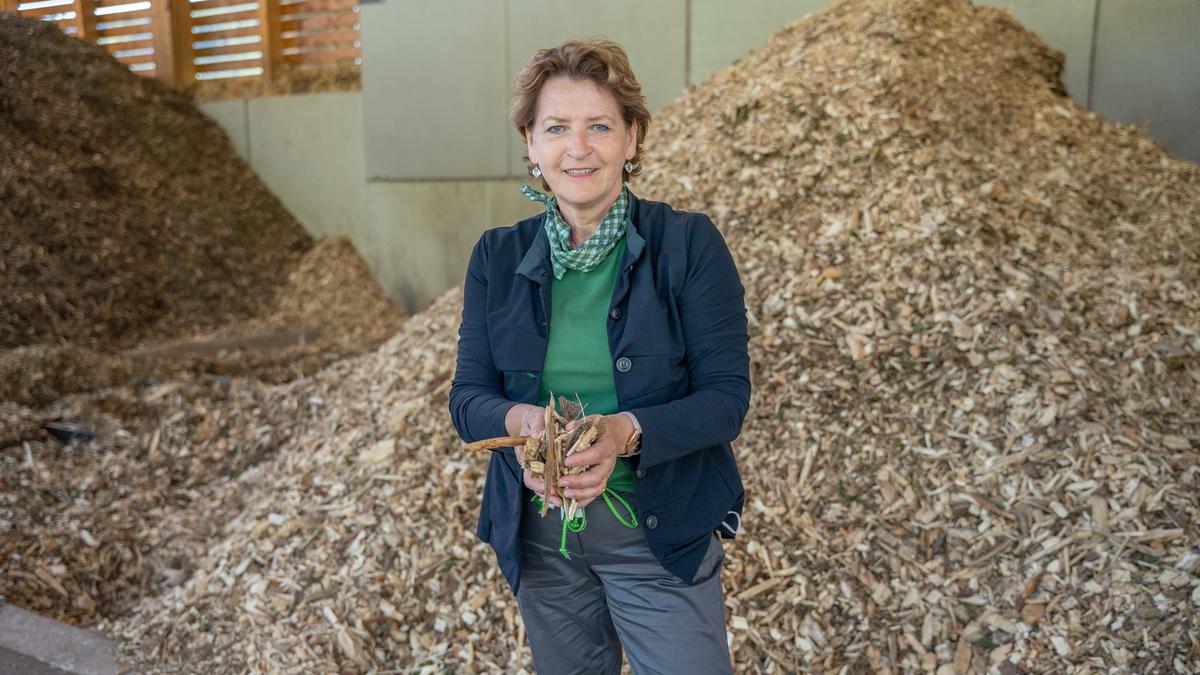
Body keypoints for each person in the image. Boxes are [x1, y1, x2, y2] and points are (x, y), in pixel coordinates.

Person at [449, 39, 750, 675]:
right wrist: (525, 426)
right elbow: (468, 402)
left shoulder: (687, 245)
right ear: (530, 142)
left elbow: (727, 399)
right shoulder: (496, 258)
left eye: (600, 126)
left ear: (632, 138)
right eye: (556, 128)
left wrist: (624, 433)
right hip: (542, 540)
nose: (577, 148)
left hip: (659, 536)